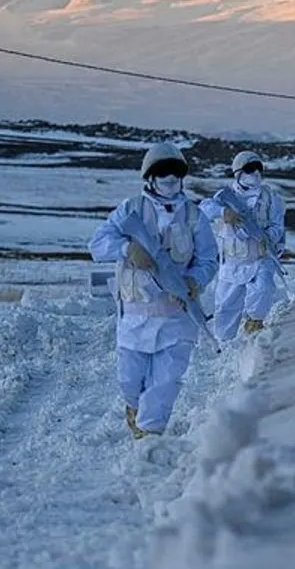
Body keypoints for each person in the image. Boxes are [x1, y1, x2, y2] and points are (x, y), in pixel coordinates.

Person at [88, 142, 218, 439]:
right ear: (149, 176)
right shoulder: (130, 209)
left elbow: (209, 259)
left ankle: (149, 441)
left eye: (175, 173)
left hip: (176, 318)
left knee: (165, 385)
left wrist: (194, 281)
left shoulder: (195, 216)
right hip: (134, 318)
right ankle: (133, 408)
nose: (170, 179)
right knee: (130, 383)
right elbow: (97, 244)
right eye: (163, 173)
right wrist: (126, 248)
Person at [199, 151, 286, 341]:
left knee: (264, 289)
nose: (255, 173)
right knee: (225, 310)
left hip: (260, 258)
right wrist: (223, 212)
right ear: (237, 172)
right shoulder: (224, 197)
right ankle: (225, 351)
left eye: (258, 168)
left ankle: (253, 329)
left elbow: (278, 226)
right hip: (232, 263)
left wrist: (267, 238)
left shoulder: (271, 198)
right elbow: (203, 209)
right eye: (249, 169)